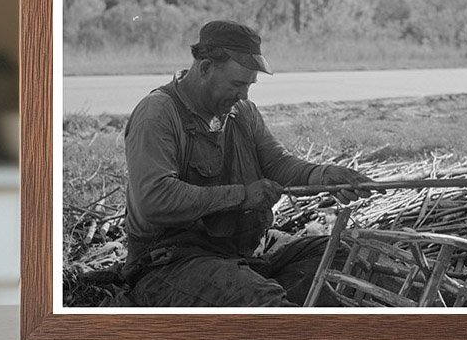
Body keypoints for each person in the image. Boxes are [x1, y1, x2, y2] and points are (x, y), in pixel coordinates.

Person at [122, 20, 372, 307]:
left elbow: (277, 163)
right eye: (237, 84)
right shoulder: (157, 114)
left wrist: (323, 175)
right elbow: (156, 199)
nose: (244, 95)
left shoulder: (242, 112)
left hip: (243, 259)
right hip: (171, 264)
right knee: (262, 300)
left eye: (249, 85)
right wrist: (243, 195)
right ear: (204, 68)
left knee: (347, 257)